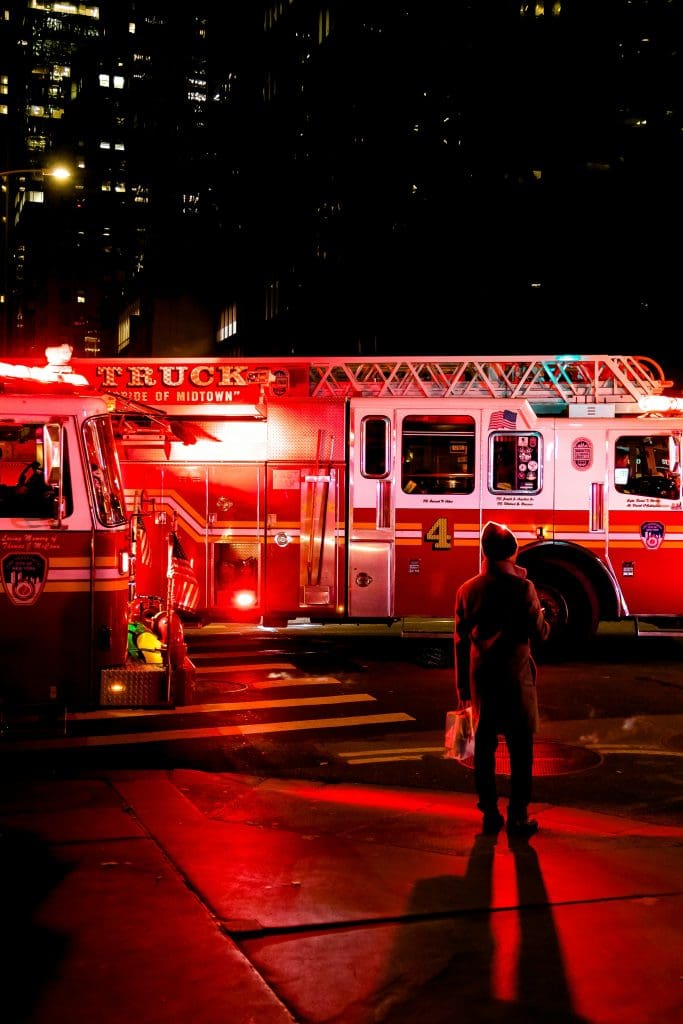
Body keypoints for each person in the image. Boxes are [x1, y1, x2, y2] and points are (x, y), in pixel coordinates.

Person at [454, 521, 550, 838]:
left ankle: (489, 811)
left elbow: (460, 642)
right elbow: (540, 632)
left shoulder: (467, 590)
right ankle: (518, 815)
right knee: (520, 750)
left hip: (481, 680)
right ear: (513, 552)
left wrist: (463, 689)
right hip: (515, 679)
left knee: (483, 748)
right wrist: (543, 614)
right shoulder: (523, 589)